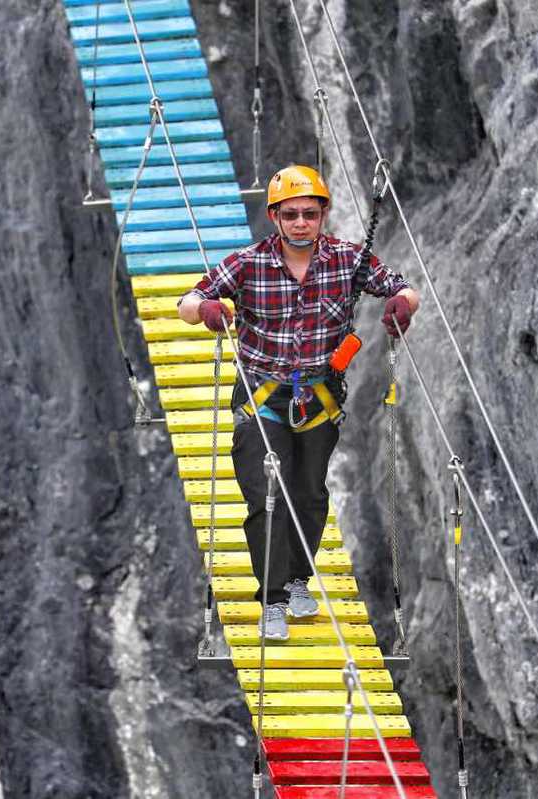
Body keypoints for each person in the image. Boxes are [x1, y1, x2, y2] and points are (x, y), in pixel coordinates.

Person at [177, 165, 419, 641]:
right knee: (269, 495)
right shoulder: (248, 263)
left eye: (310, 213)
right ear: (275, 217)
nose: (301, 222)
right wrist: (207, 309)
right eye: (291, 215)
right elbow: (189, 300)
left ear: (324, 214)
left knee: (309, 496)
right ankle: (271, 600)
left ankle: (296, 580)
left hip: (319, 400)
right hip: (262, 398)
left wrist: (402, 306)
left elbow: (402, 287)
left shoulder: (348, 260)